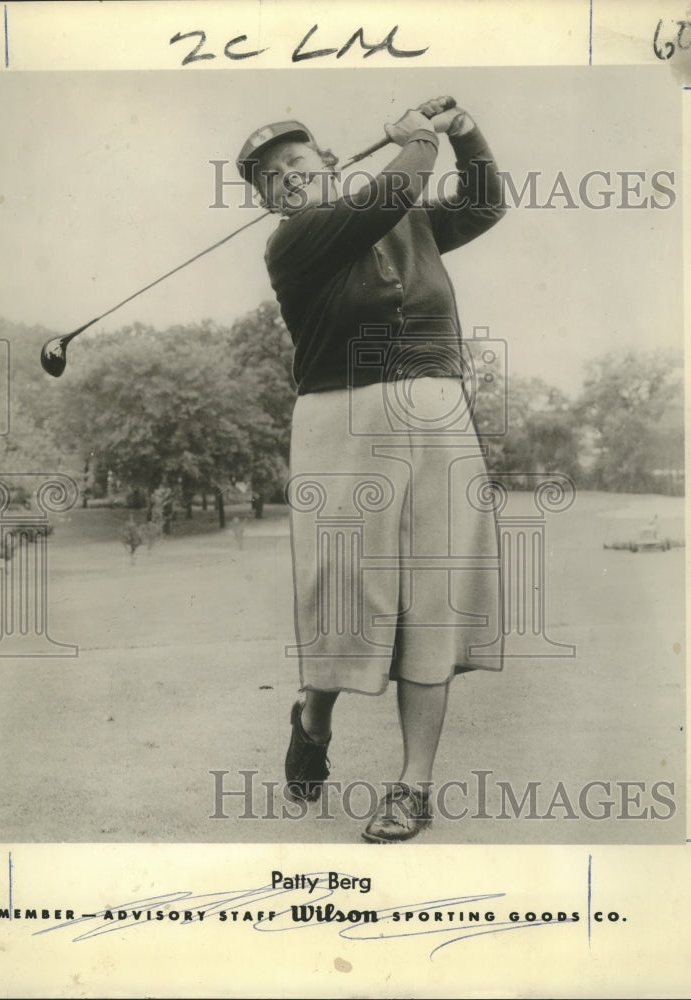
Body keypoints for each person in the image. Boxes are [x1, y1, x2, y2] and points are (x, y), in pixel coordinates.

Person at [236, 96, 506, 842]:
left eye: (293, 162)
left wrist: (463, 132)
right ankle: (312, 712)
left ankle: (411, 788)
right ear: (267, 204)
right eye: (267, 180)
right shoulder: (294, 242)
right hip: (340, 419)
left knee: (433, 603)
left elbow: (484, 203)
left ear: (326, 161)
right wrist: (419, 139)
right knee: (346, 606)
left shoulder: (404, 217)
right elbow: (398, 183)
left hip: (436, 407)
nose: (283, 180)